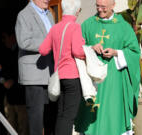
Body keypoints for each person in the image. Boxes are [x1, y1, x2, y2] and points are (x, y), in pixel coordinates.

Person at [74, 0, 141, 135]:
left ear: (113, 5)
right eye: (97, 6)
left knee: (112, 115)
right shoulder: (88, 25)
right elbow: (76, 48)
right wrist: (91, 48)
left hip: (115, 80)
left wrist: (116, 53)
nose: (100, 10)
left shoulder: (123, 27)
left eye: (103, 7)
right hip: (93, 80)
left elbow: (135, 52)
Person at [39, 0, 88, 135]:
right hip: (72, 76)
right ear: (77, 11)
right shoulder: (75, 27)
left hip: (59, 77)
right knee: (69, 116)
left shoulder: (55, 27)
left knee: (61, 114)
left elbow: (43, 50)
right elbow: (78, 52)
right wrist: (89, 51)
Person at [15, 0, 56, 135]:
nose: (47, 0)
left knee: (51, 118)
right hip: (34, 74)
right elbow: (24, 41)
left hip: (50, 73)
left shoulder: (49, 14)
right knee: (36, 120)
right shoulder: (24, 15)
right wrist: (49, 44)